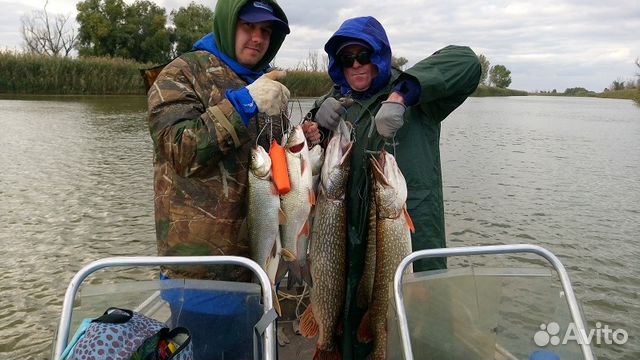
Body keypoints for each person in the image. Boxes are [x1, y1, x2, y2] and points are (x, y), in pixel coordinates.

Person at [302, 16, 481, 359]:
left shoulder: (421, 98)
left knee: (418, 331)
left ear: (381, 56)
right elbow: (305, 159)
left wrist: (402, 96)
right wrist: (313, 122)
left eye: (364, 55)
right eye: (346, 58)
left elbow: (467, 63)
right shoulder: (337, 102)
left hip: (409, 238)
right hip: (345, 247)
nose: (356, 65)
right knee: (351, 330)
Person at [147, 1, 290, 358]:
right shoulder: (180, 73)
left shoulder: (265, 81)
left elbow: (273, 162)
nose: (257, 38)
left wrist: (302, 140)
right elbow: (181, 149)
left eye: (266, 31)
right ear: (228, 24)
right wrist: (243, 103)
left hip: (259, 273)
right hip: (199, 280)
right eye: (248, 27)